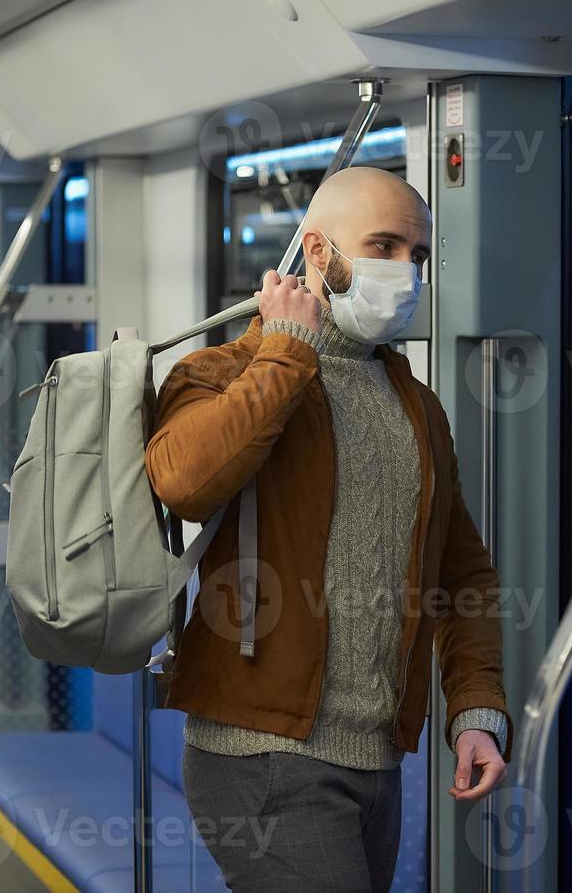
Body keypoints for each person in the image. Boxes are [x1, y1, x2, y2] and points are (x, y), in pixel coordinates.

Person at [146, 166, 511, 892]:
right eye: (384, 246)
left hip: (376, 761)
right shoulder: (222, 372)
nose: (405, 272)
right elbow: (184, 481)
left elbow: (461, 574)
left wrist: (476, 708)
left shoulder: (417, 406)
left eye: (418, 254)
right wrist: (285, 350)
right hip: (259, 755)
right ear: (318, 253)